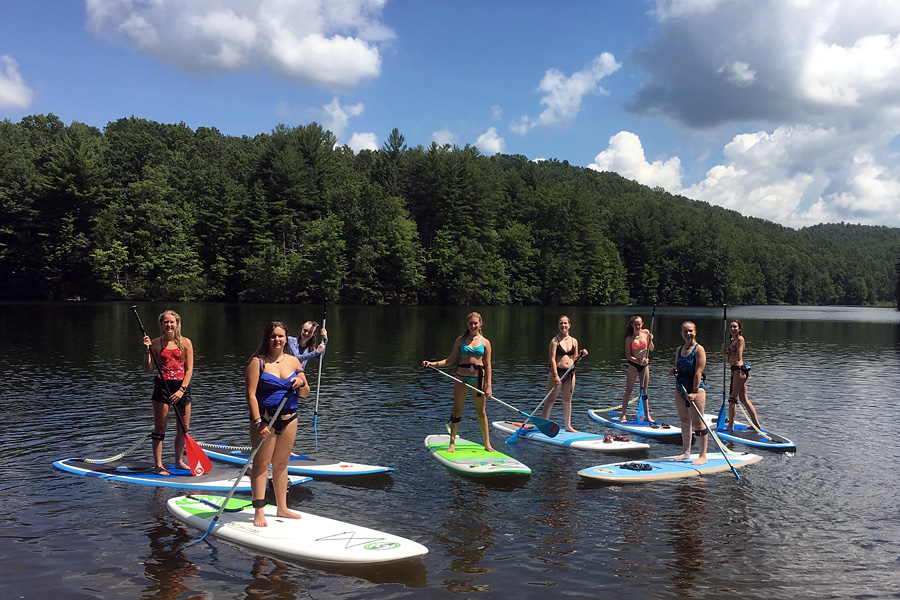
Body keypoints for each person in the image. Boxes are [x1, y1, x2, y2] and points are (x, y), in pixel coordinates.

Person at [245, 321, 310, 527]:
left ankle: (282, 508)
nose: (277, 340)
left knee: (281, 465)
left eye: (280, 336)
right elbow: (251, 395)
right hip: (265, 419)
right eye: (273, 336)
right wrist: (258, 422)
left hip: (289, 418)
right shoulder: (258, 362)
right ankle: (259, 512)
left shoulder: (294, 362)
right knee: (262, 465)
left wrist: (301, 382)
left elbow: (306, 393)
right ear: (267, 338)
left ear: (286, 338)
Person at [422, 312, 494, 453]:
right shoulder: (460, 340)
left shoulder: (485, 342)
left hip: (478, 380)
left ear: (480, 323)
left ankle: (487, 443)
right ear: (467, 324)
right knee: (457, 411)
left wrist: (489, 386)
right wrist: (432, 363)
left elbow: (488, 365)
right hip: (461, 378)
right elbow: (449, 361)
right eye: (470, 323)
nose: (473, 326)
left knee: (481, 412)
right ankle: (452, 443)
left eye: (475, 323)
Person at [142, 310, 194, 476]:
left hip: (181, 387)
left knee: (184, 428)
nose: (169, 325)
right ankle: (158, 465)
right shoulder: (156, 344)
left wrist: (181, 390)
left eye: (172, 322)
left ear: (177, 324)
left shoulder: (186, 343)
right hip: (162, 387)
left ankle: (179, 461)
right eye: (166, 322)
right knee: (160, 428)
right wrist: (147, 351)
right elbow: (149, 369)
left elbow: (189, 369)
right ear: (161, 324)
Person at [670, 321, 709, 465]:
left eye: (691, 331)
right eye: (685, 331)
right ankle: (686, 452)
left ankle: (702, 456)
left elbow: (698, 371)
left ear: (695, 332)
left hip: (695, 389)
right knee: (685, 422)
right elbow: (677, 367)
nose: (688, 334)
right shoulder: (679, 349)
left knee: (698, 424)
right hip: (680, 387)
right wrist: (674, 371)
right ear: (681, 333)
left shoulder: (699, 349)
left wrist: (694, 391)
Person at [542, 315, 588, 432]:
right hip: (558, 372)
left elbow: (574, 358)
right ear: (558, 326)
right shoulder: (554, 341)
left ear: (569, 325)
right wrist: (555, 375)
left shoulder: (574, 341)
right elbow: (552, 359)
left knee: (567, 400)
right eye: (561, 323)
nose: (563, 326)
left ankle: (568, 426)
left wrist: (582, 355)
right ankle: (544, 423)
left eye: (565, 323)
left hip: (570, 373)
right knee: (551, 400)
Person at [721, 320, 761, 431]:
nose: (732, 329)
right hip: (737, 370)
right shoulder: (732, 340)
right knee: (743, 398)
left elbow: (738, 357)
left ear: (739, 329)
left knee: (732, 398)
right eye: (731, 327)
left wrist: (725, 355)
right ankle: (756, 425)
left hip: (739, 371)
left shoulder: (740, 339)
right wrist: (724, 349)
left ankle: (730, 426)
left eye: (735, 327)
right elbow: (730, 354)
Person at [619, 315, 655, 424]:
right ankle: (623, 414)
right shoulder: (629, 338)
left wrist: (650, 339)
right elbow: (628, 356)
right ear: (632, 325)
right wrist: (638, 360)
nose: (638, 326)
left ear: (642, 324)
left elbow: (651, 349)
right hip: (634, 365)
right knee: (629, 390)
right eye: (636, 324)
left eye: (639, 324)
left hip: (644, 366)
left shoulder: (646, 333)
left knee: (644, 391)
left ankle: (647, 415)